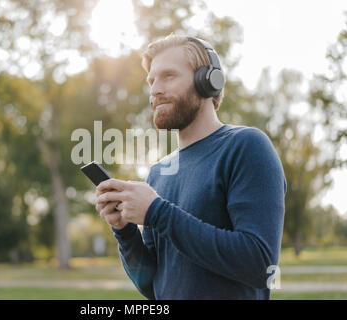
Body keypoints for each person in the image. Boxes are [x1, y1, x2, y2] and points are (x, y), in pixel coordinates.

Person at [94, 34, 286, 300]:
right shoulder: (158, 173)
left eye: (168, 76)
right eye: (151, 81)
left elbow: (262, 267)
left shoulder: (246, 146)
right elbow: (154, 286)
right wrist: (124, 230)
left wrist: (157, 212)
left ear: (207, 81)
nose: (154, 90)